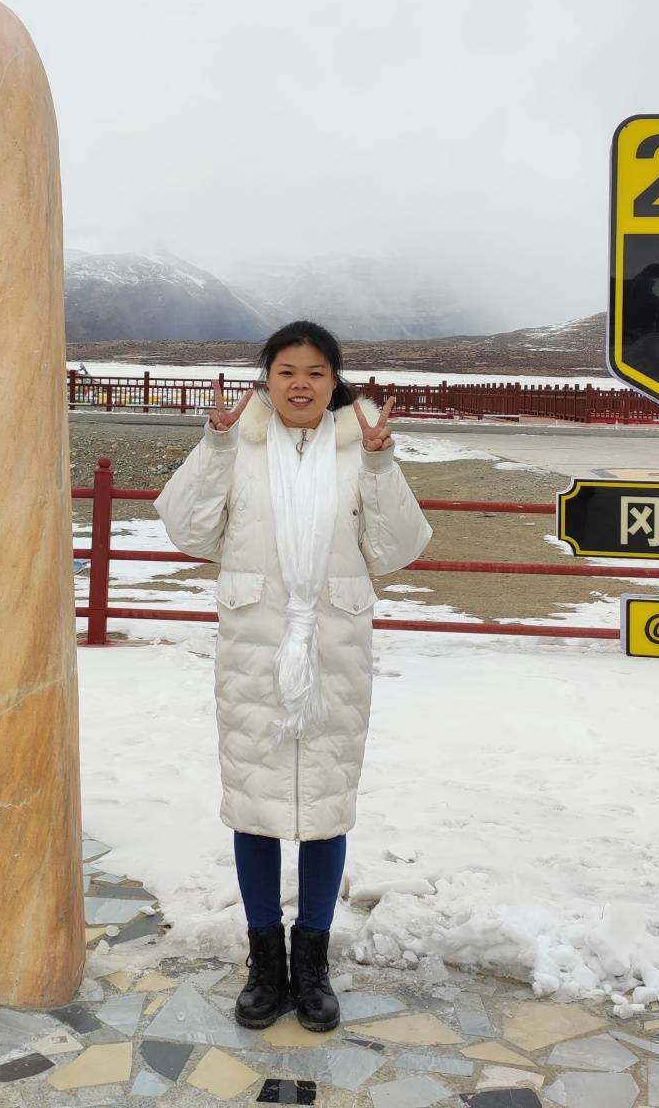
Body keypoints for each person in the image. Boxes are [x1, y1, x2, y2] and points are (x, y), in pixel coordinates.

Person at [156, 320, 432, 1031]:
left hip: (334, 651)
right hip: (255, 649)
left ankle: (312, 964)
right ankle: (264, 962)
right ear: (266, 378)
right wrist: (214, 447)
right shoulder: (239, 444)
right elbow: (188, 529)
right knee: (256, 805)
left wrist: (380, 465)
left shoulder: (359, 448)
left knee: (325, 809)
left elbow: (397, 548)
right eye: (286, 370)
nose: (301, 383)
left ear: (336, 380)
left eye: (316, 371)